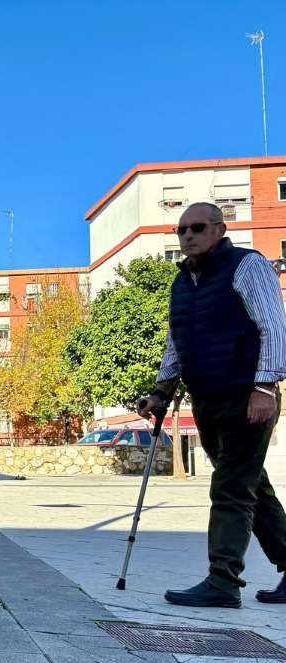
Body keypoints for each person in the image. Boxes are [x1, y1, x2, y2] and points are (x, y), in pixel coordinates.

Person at [137, 202, 286, 608]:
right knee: (248, 484)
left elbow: (273, 326)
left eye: (197, 227)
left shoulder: (247, 265)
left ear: (220, 229)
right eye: (181, 230)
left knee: (231, 487)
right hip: (206, 397)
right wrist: (161, 391)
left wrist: (265, 387)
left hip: (246, 395)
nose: (188, 235)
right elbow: (176, 341)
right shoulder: (182, 282)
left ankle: (223, 581)